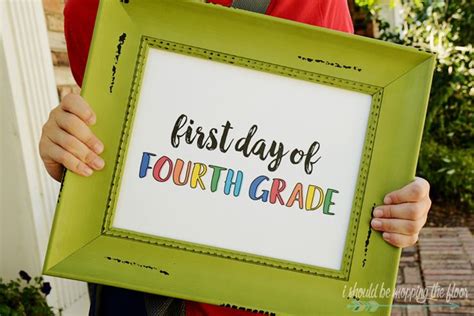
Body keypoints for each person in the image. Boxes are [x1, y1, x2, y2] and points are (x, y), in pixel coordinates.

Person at [39, 0, 432, 315]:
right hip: (142, 295)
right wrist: (69, 150)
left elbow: (339, 148)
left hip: (274, 297)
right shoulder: (94, 8)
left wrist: (393, 202)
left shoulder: (317, 4)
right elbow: (113, 135)